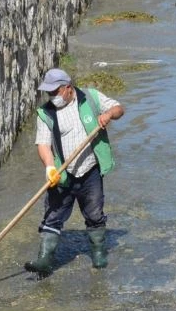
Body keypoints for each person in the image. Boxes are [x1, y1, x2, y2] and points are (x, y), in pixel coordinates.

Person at [24, 68, 125, 277]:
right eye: (49, 93)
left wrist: (108, 115)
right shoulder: (46, 113)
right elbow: (43, 144)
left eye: (55, 92)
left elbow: (119, 109)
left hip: (90, 169)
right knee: (53, 215)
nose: (52, 97)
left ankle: (98, 253)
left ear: (68, 88)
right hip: (63, 172)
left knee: (94, 213)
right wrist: (50, 167)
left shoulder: (90, 97)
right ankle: (45, 260)